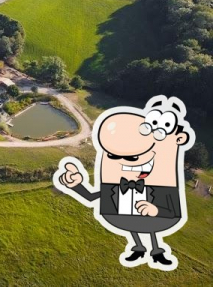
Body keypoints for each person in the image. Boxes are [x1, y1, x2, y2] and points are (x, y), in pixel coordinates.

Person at [54, 96, 194, 271]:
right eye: (113, 156)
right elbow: (91, 197)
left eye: (133, 157)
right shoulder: (115, 184)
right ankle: (138, 248)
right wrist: (76, 185)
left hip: (154, 219)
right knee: (133, 227)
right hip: (124, 218)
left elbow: (172, 211)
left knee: (150, 228)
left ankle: (157, 252)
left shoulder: (163, 186)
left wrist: (155, 210)